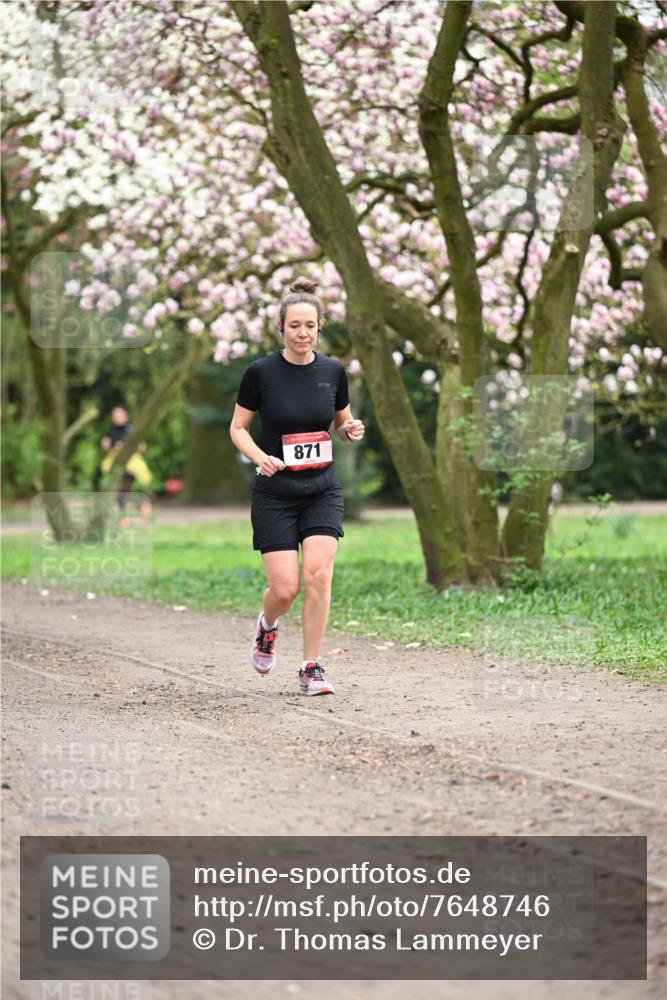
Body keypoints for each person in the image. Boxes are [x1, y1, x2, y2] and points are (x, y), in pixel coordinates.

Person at [229, 276, 365, 696]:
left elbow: (340, 420)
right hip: (276, 494)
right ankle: (268, 625)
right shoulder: (261, 374)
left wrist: (349, 428)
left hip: (322, 490)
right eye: (295, 326)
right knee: (285, 589)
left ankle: (311, 667)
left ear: (319, 328)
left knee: (319, 576)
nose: (303, 333)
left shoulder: (332, 371)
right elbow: (238, 428)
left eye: (310, 326)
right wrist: (260, 457)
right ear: (281, 328)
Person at [100, 405, 152, 524]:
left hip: (131, 465)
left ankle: (136, 508)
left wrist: (123, 447)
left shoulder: (131, 429)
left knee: (122, 490)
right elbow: (111, 447)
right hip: (117, 464)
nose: (116, 417)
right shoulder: (113, 431)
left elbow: (142, 446)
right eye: (114, 416)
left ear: (125, 415)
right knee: (121, 491)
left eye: (118, 415)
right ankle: (134, 510)